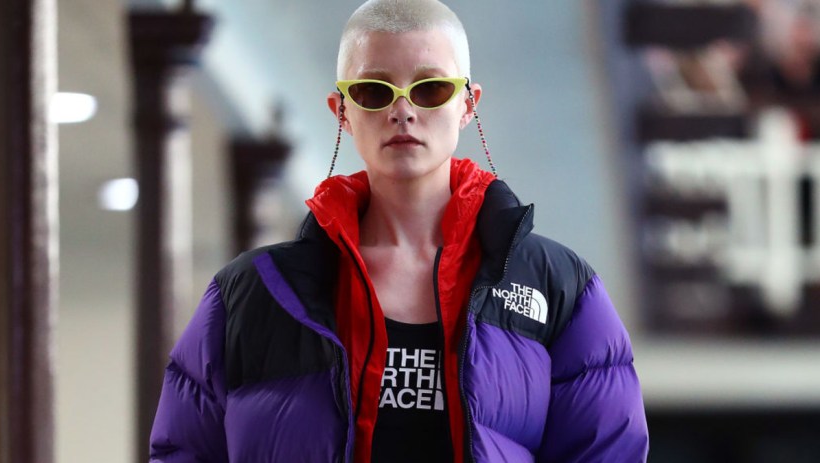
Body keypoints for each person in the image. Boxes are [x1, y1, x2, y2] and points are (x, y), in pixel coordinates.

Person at [148, 0, 650, 461]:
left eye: (430, 88)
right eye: (374, 90)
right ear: (341, 110)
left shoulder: (557, 285)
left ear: (468, 104)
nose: (403, 109)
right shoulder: (252, 293)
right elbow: (184, 449)